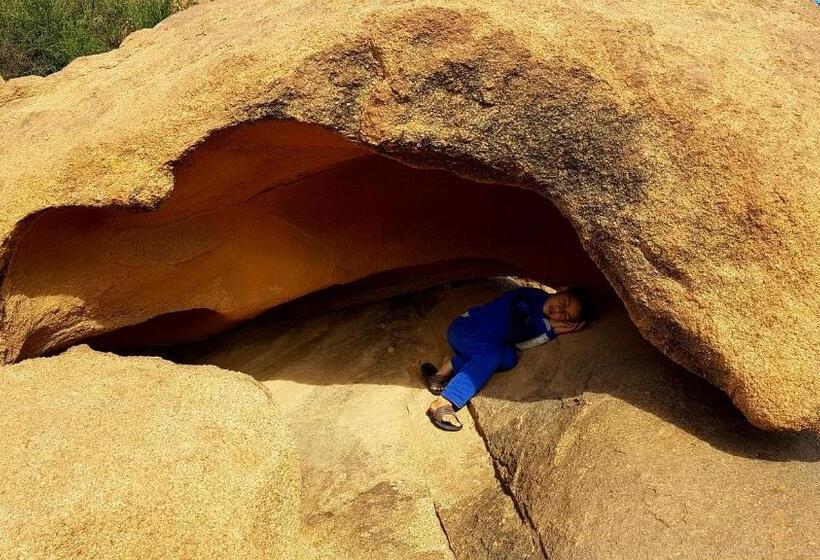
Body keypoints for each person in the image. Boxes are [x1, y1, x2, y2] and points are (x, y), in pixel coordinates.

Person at [422, 286, 591, 431]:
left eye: (566, 317)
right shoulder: (527, 298)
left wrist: (552, 332)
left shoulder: (542, 318)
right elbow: (515, 332)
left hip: (485, 341)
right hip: (466, 328)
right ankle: (446, 401)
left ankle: (446, 369)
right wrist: (548, 327)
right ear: (561, 290)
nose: (560, 310)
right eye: (565, 302)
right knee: (492, 354)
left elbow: (519, 345)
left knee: (509, 358)